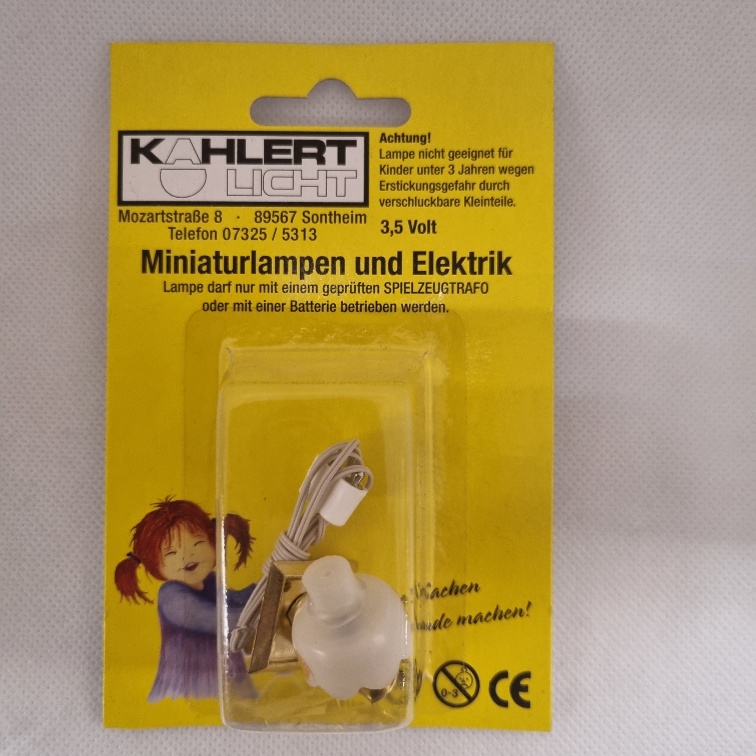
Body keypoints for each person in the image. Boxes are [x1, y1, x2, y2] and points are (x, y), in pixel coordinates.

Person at [114, 497, 255, 701]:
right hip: (190, 687)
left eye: (198, 543)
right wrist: (263, 611)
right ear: (155, 565)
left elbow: (236, 599)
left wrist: (266, 586)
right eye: (171, 553)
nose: (187, 556)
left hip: (231, 682)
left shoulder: (210, 581)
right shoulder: (172, 596)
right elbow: (220, 620)